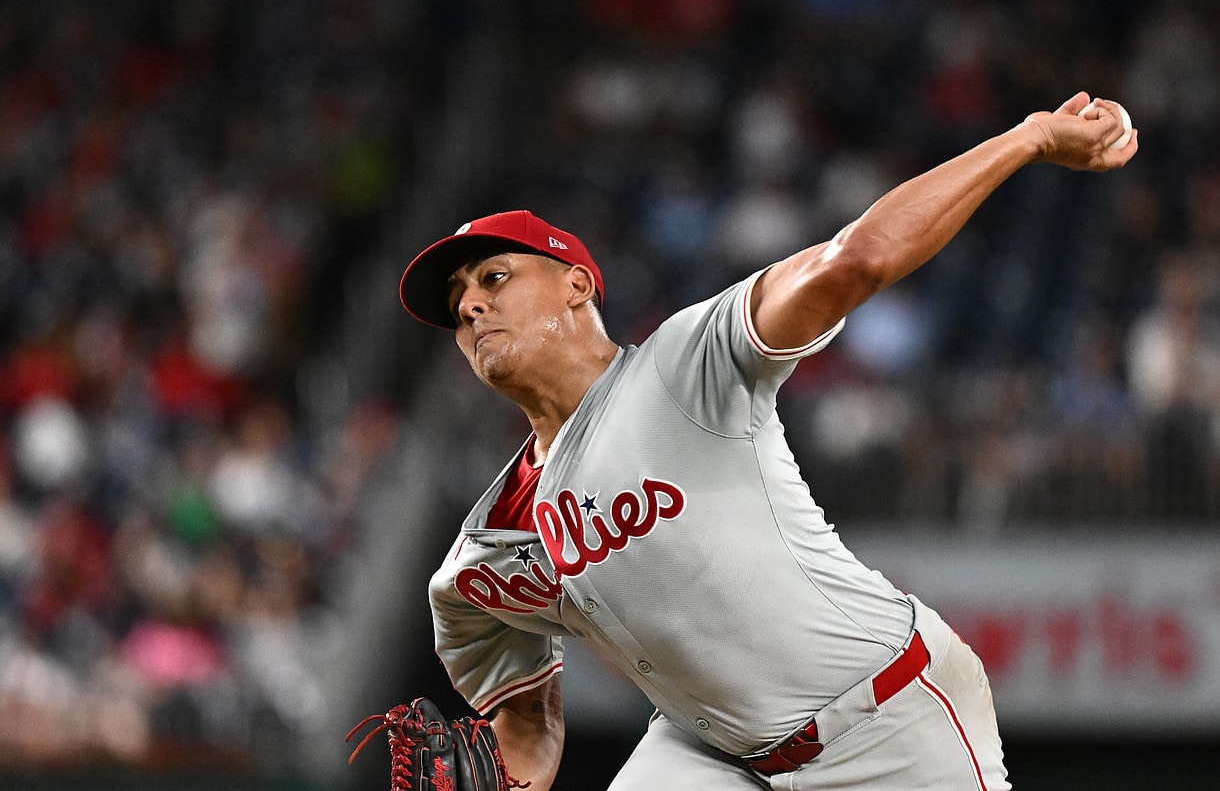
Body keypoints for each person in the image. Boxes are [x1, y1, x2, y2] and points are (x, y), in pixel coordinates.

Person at [395, 93, 1137, 790]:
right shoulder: (481, 560)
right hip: (710, 751)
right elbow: (524, 720)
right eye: (458, 308)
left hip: (885, 717)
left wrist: (1029, 136)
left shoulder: (686, 362)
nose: (470, 305)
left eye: (493, 276)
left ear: (578, 286)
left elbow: (855, 260)